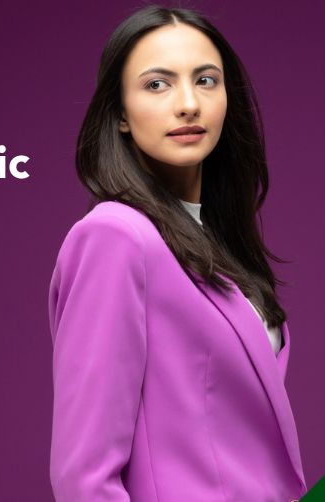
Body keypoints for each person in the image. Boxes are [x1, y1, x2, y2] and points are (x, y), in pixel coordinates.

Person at [47, 5, 306, 502]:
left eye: (206, 80)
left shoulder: (215, 241)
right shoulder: (116, 237)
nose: (188, 103)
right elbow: (84, 478)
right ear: (119, 113)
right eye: (157, 85)